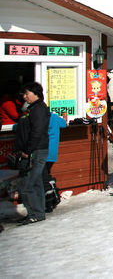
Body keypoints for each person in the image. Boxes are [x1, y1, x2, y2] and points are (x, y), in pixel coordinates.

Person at [14, 82, 50, 225]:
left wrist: (27, 151)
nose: (24, 96)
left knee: (27, 184)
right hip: (33, 150)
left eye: (26, 93)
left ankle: (35, 213)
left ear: (36, 94)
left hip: (36, 151)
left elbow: (36, 132)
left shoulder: (38, 109)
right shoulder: (32, 108)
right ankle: (37, 212)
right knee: (35, 183)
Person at [43, 112, 66, 212]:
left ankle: (50, 201)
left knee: (43, 178)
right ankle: (53, 198)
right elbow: (64, 124)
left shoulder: (39, 117)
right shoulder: (54, 117)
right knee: (46, 175)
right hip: (52, 152)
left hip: (43, 150)